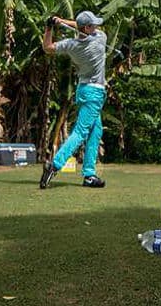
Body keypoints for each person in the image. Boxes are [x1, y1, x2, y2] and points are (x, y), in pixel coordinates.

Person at [40, 11, 108, 189]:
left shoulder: (71, 45)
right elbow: (81, 27)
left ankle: (89, 175)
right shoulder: (100, 39)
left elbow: (47, 47)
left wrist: (49, 28)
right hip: (95, 93)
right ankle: (54, 165)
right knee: (80, 133)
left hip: (84, 90)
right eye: (93, 25)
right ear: (87, 28)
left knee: (95, 131)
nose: (96, 27)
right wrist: (63, 22)